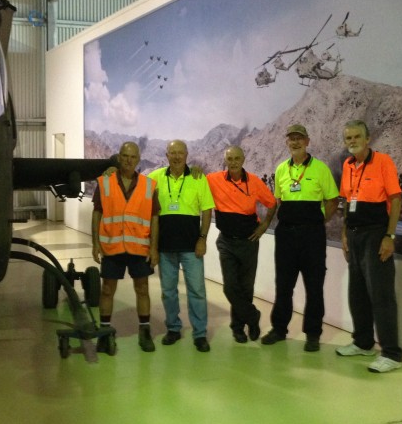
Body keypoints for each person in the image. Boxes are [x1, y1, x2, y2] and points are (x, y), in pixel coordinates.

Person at [261, 124, 339, 352]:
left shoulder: (320, 169)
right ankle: (279, 330)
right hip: (286, 235)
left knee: (314, 286)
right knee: (283, 285)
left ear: (308, 141)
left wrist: (317, 221)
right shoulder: (281, 170)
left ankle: (313, 334)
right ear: (287, 142)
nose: (295, 142)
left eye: (299, 138)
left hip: (312, 235)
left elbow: (332, 201)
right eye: (291, 139)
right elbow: (279, 201)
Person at [336, 119, 402, 373]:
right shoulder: (348, 165)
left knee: (381, 294)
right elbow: (346, 202)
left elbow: (395, 200)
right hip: (354, 235)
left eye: (356, 137)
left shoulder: (383, 161)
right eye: (348, 138)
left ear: (367, 139)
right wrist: (344, 234)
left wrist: (390, 236)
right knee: (358, 292)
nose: (352, 141)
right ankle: (363, 343)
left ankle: (391, 353)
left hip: (376, 234)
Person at [91, 141, 160, 353]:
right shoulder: (104, 183)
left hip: (139, 248)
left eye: (132, 157)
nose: (128, 160)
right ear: (119, 157)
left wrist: (154, 248)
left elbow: (154, 217)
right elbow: (97, 214)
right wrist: (95, 243)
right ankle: (104, 334)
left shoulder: (149, 186)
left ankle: (145, 331)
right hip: (112, 247)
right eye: (124, 156)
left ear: (138, 159)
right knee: (107, 290)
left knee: (142, 289)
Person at [148, 140, 215, 352]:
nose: (176, 157)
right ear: (166, 155)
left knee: (197, 291)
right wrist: (111, 171)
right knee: (168, 291)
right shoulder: (155, 178)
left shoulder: (198, 177)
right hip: (165, 247)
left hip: (191, 247)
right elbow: (133, 183)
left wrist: (202, 238)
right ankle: (173, 329)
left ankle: (200, 334)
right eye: (172, 153)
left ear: (187, 155)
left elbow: (206, 210)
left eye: (180, 153)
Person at [206, 146, 276, 343]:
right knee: (230, 287)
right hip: (226, 242)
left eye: (237, 158)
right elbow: (196, 181)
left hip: (248, 242)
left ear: (243, 159)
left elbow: (272, 203)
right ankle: (252, 317)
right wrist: (193, 169)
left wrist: (263, 227)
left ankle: (239, 327)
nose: (234, 162)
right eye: (230, 158)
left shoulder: (253, 181)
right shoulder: (214, 179)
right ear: (225, 160)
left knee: (246, 287)